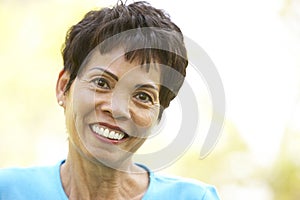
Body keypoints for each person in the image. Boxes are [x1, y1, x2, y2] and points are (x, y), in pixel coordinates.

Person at [0, 1, 220, 199]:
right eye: (102, 83)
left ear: (157, 116)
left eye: (142, 96)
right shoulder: (8, 190)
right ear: (63, 87)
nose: (117, 109)